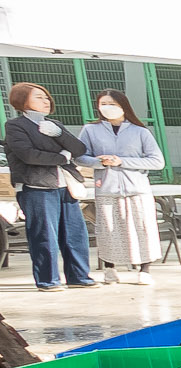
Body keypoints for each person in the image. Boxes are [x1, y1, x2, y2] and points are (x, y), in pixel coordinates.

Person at [4, 83, 96, 290]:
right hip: (36, 186)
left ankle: (79, 276)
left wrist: (59, 134)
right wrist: (61, 157)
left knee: (75, 233)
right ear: (22, 100)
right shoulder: (15, 126)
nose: (46, 101)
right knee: (44, 234)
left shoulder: (55, 125)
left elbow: (79, 149)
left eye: (46, 97)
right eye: (38, 97)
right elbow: (28, 154)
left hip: (65, 186)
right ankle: (48, 279)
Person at [78, 90, 164, 285]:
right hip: (107, 188)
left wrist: (122, 161)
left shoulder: (140, 131)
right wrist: (99, 162)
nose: (107, 107)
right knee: (108, 228)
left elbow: (157, 161)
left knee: (142, 228)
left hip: (137, 188)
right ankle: (109, 268)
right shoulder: (90, 130)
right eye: (103, 103)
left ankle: (145, 268)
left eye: (112, 103)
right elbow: (80, 156)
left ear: (123, 105)